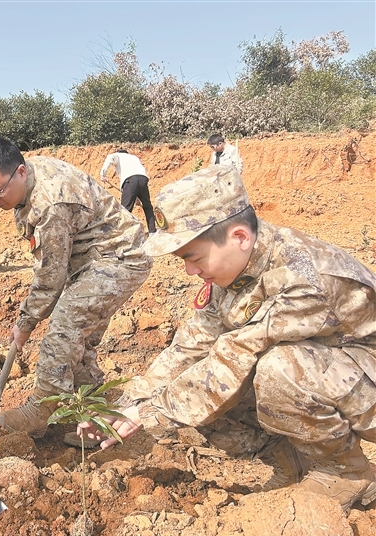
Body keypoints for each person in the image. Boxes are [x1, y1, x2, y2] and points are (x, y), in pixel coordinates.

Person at [80, 165, 376, 510]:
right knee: (196, 387)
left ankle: (344, 471)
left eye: (192, 257)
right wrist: (125, 405)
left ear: (239, 237)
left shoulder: (303, 276)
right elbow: (190, 347)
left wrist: (148, 415)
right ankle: (291, 463)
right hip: (333, 376)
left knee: (273, 371)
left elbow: (232, 359)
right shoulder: (234, 271)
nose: (190, 271)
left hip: (364, 380)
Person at [0, 136, 152, 441]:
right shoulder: (28, 179)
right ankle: (99, 418)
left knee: (66, 326)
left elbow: (51, 278)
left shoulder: (50, 204)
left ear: (21, 172)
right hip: (93, 259)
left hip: (119, 257)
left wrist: (25, 322)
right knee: (78, 343)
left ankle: (43, 408)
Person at [99, 149, 156, 234]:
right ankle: (152, 232)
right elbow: (136, 179)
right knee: (147, 206)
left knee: (125, 210)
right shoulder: (134, 157)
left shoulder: (117, 155)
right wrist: (136, 198)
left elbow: (109, 157)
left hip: (130, 181)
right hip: (143, 179)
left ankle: (123, 234)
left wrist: (103, 174)